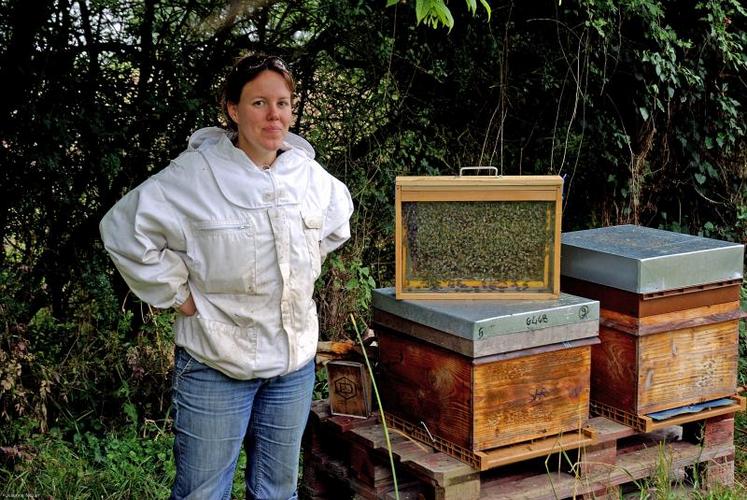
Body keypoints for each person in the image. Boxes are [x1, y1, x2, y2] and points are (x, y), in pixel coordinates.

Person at [99, 54, 353, 499]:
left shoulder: (309, 176)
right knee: (203, 493)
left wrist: (304, 264)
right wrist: (176, 293)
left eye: (283, 103)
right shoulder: (194, 176)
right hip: (217, 363)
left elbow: (336, 223)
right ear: (233, 110)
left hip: (291, 367)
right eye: (259, 103)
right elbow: (123, 230)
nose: (274, 116)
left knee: (276, 493)